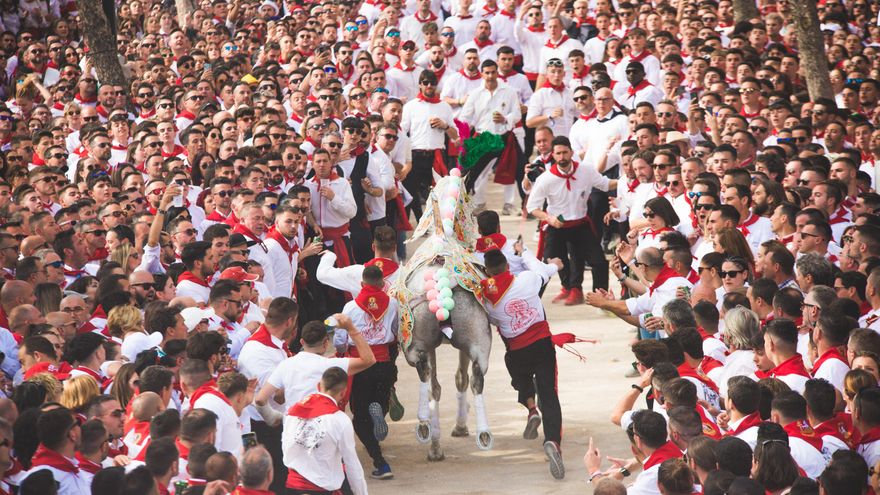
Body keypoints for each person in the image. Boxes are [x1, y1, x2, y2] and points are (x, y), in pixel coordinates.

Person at [480, 248, 565, 479]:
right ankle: (552, 441)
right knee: (549, 393)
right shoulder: (527, 280)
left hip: (516, 351)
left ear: (488, 271)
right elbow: (542, 270)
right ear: (508, 266)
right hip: (542, 345)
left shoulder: (485, 297)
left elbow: (491, 320)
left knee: (521, 378)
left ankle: (531, 408)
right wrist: (527, 253)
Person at [527, 136, 616, 305]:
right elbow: (532, 207)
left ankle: (601, 298)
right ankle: (535, 301)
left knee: (599, 261)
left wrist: (628, 182)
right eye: (558, 153)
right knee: (549, 262)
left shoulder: (586, 170)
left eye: (565, 152)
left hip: (580, 224)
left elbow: (605, 184)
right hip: (556, 226)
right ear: (553, 155)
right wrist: (549, 218)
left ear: (571, 152)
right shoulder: (545, 179)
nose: (562, 157)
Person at [282, 367, 368, 495]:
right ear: (343, 393)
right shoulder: (340, 420)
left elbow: (286, 446)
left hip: (292, 487)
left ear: (318, 386)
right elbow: (352, 464)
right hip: (320, 488)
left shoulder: (293, 412)